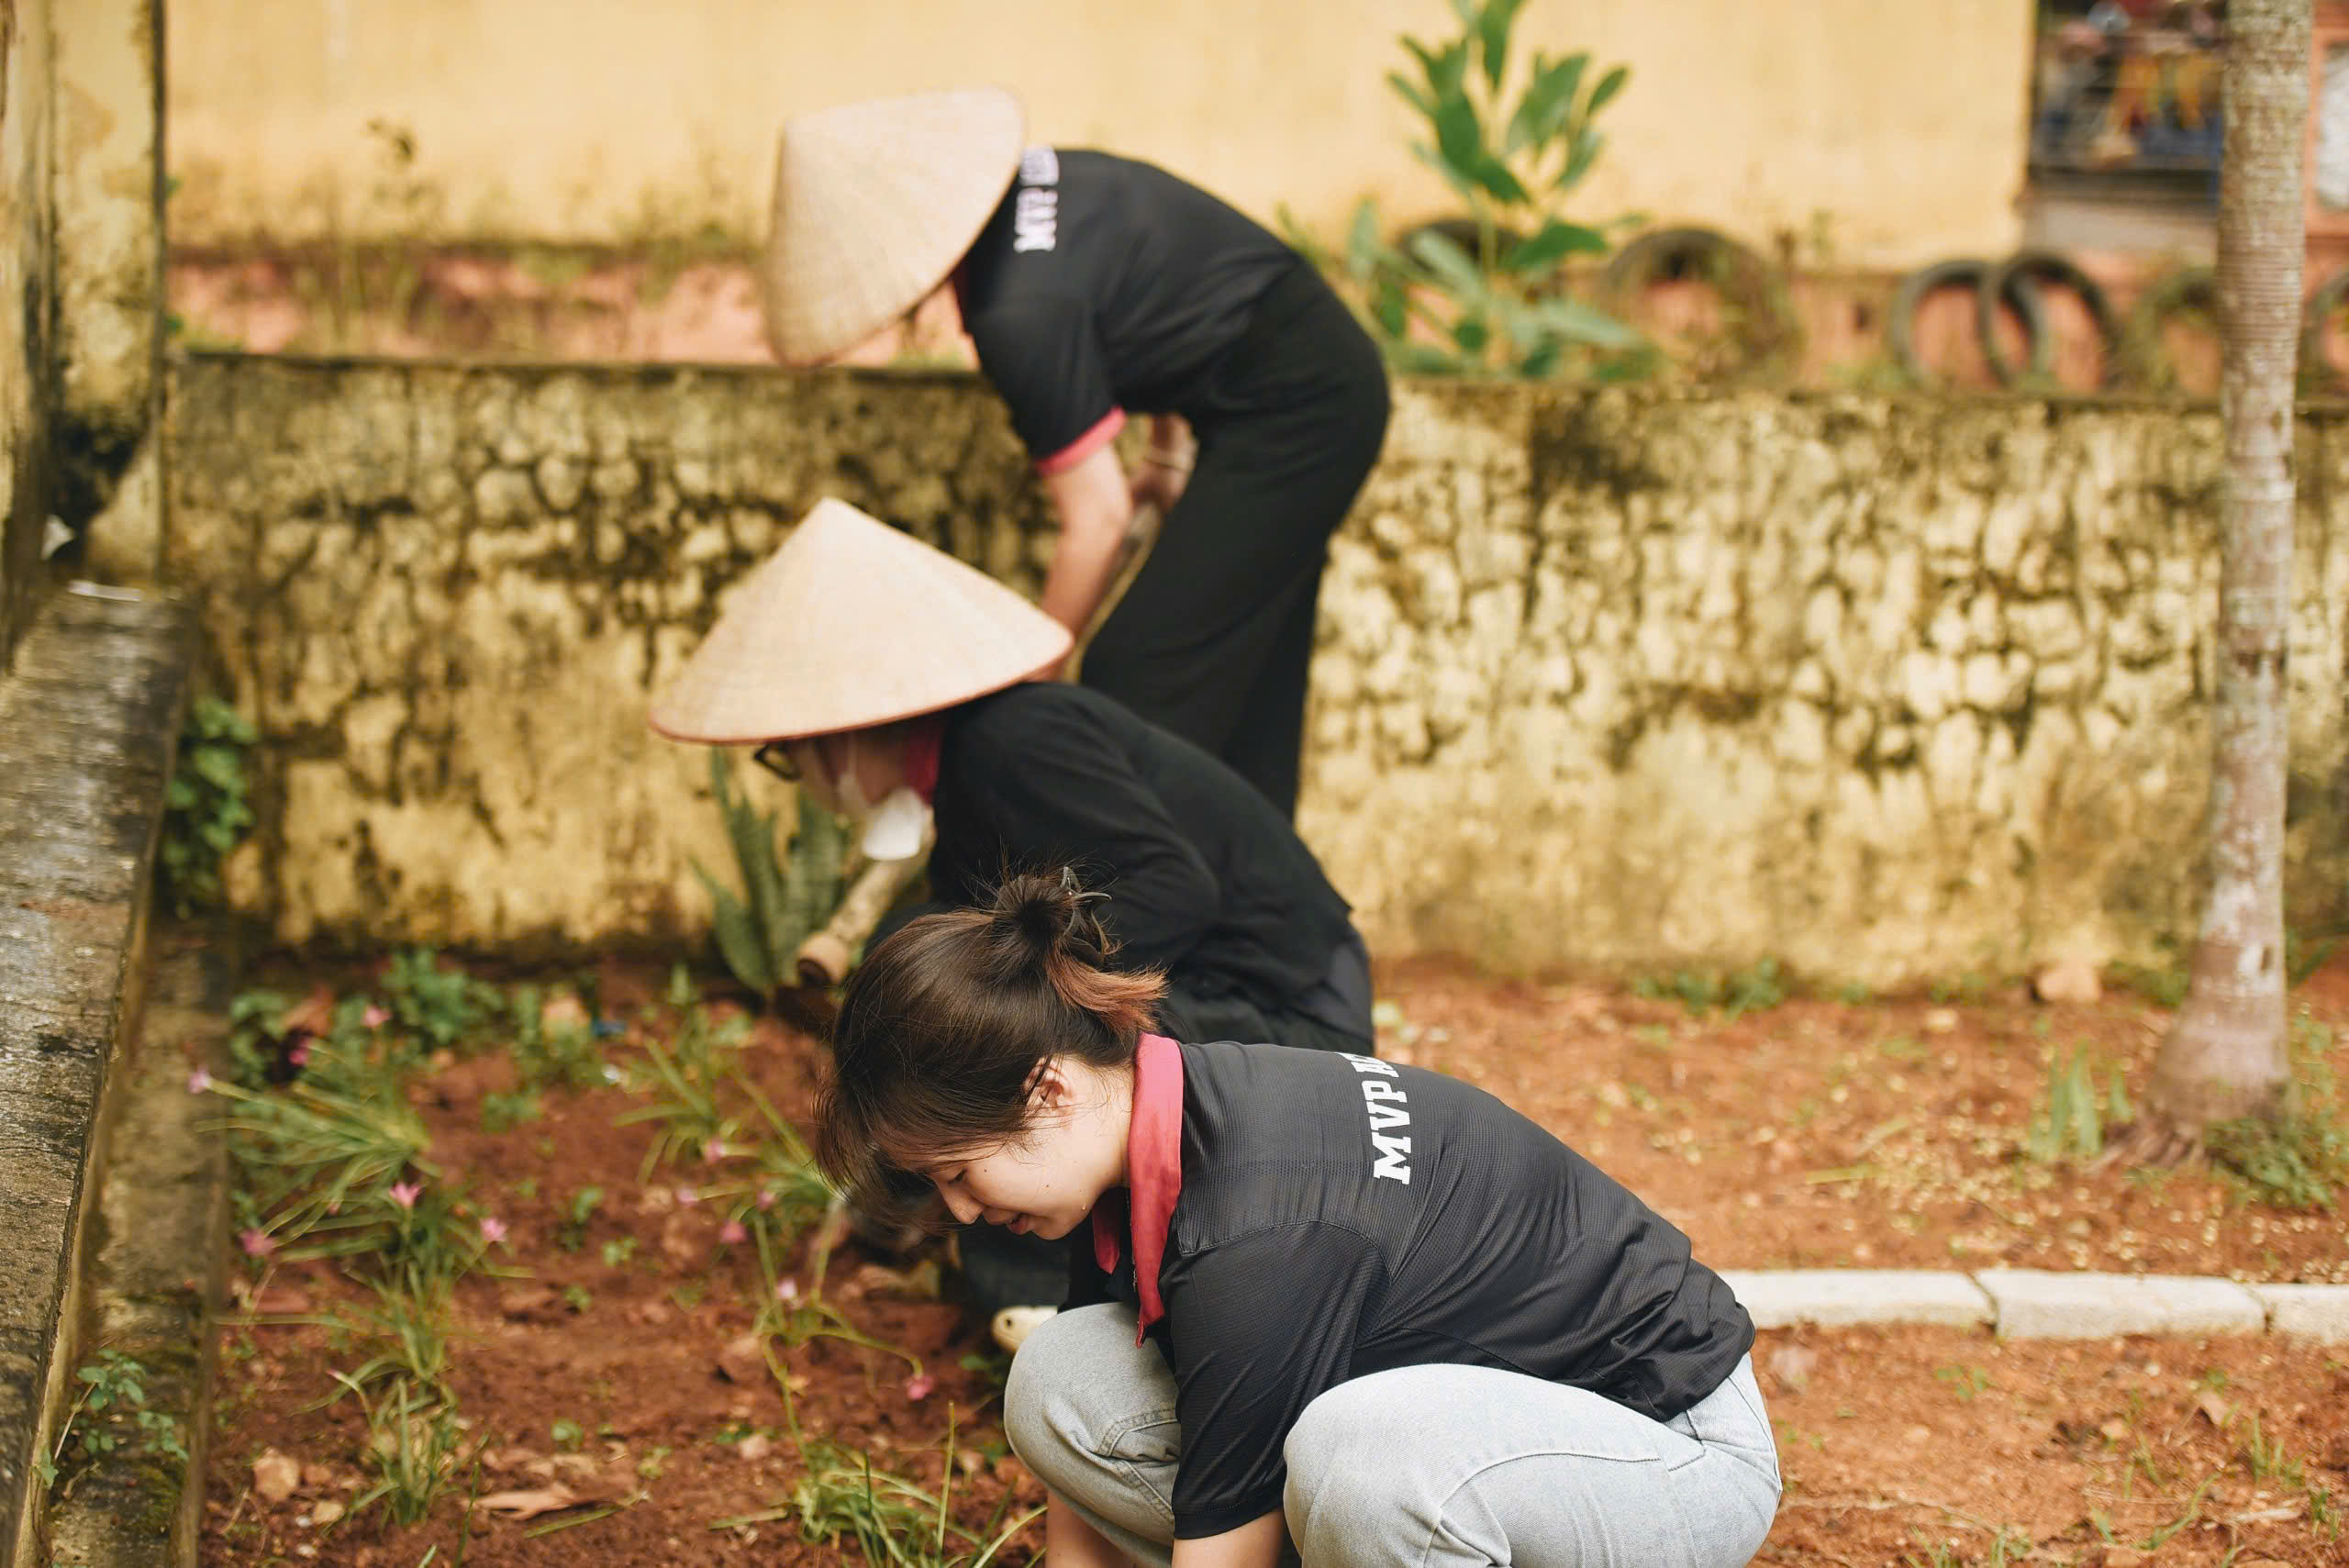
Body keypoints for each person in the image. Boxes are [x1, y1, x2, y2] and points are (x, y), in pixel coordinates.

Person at [815, 871, 1779, 1568]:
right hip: (1475, 1435)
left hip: (1667, 1458)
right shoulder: (1159, 1118)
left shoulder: (1253, 1240)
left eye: (958, 1169)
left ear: (1049, 1088)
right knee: (1061, 1374)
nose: (961, 1209)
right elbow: (1088, 1514)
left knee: (1359, 1458)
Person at [648, 497, 1376, 1327]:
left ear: (833, 732)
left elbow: (1175, 889)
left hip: (1296, 1027)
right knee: (925, 962)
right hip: (1244, 1000)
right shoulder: (964, 780)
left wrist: (1019, 1002)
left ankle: (1040, 1305)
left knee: (1002, 1040)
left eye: (786, 759)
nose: (804, 780)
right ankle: (949, 1250)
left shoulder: (1014, 741)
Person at [759, 86, 1391, 819]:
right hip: (1303, 370)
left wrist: (1034, 675)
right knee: (1247, 679)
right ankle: (1276, 919)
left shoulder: (1016, 315)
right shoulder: (1038, 182)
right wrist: (1165, 453)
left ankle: (1142, 908)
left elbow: (1098, 522)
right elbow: (1163, 294)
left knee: (1139, 675)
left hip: (1299, 409)